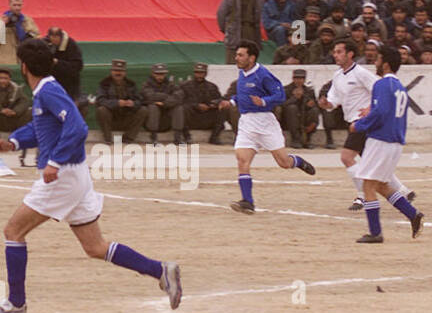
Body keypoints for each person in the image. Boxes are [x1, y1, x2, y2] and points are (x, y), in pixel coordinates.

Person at [0, 38, 182, 313]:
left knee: (13, 232)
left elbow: (76, 126)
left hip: (62, 177)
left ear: (23, 67)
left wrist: (54, 162)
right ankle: (161, 270)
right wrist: (13, 142)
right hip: (75, 175)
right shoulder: (46, 90)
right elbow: (43, 126)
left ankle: (16, 302)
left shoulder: (48, 90)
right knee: (95, 247)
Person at [321, 40, 415, 212]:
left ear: (350, 54)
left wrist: (370, 109)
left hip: (363, 123)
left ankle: (362, 195)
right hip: (355, 122)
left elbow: (378, 90)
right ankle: (403, 191)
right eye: (335, 52)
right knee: (370, 163)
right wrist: (327, 103)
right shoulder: (337, 76)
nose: (335, 55)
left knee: (347, 157)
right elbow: (334, 100)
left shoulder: (361, 73)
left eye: (339, 52)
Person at [225, 42, 316, 214]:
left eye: (241, 55)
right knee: (242, 161)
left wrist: (264, 101)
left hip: (265, 122)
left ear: (251, 58)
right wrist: (230, 101)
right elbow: (243, 95)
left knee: (283, 163)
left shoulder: (263, 74)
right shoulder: (242, 73)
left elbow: (280, 94)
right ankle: (247, 202)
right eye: (237, 54)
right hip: (246, 123)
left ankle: (297, 161)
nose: (237, 58)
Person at [351, 46, 425, 243]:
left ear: (385, 63)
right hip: (395, 141)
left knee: (367, 184)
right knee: (381, 185)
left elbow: (380, 113)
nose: (375, 62)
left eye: (378, 59)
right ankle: (413, 214)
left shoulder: (381, 84)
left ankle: (375, 232)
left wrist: (359, 125)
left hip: (381, 140)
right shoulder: (399, 86)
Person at [178, 62, 225, 144]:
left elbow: (219, 99)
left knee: (222, 109)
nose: (199, 75)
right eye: (197, 72)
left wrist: (211, 105)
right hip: (191, 117)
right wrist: (196, 105)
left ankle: (214, 137)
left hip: (206, 116)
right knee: (181, 109)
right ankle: (187, 137)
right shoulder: (185, 86)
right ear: (194, 73)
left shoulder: (212, 87)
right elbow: (179, 100)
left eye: (201, 73)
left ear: (206, 73)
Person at [0, 0, 39, 66]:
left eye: (19, 5)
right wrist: (2, 25)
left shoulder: (27, 20)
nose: (17, 8)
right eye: (14, 5)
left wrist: (23, 28)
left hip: (24, 61)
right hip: (7, 61)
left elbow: (36, 37)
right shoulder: (0, 21)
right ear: (9, 5)